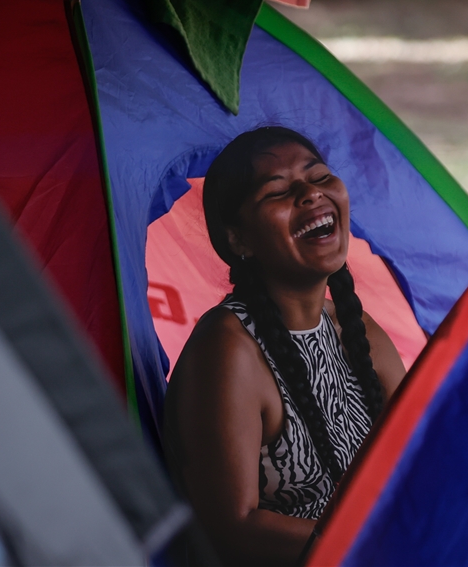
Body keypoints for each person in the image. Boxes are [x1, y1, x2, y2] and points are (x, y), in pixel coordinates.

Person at [164, 127, 406, 565]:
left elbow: (420, 453)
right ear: (238, 240)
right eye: (278, 192)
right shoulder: (229, 347)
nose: (310, 195)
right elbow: (232, 526)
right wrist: (378, 546)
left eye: (318, 177)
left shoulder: (356, 330)